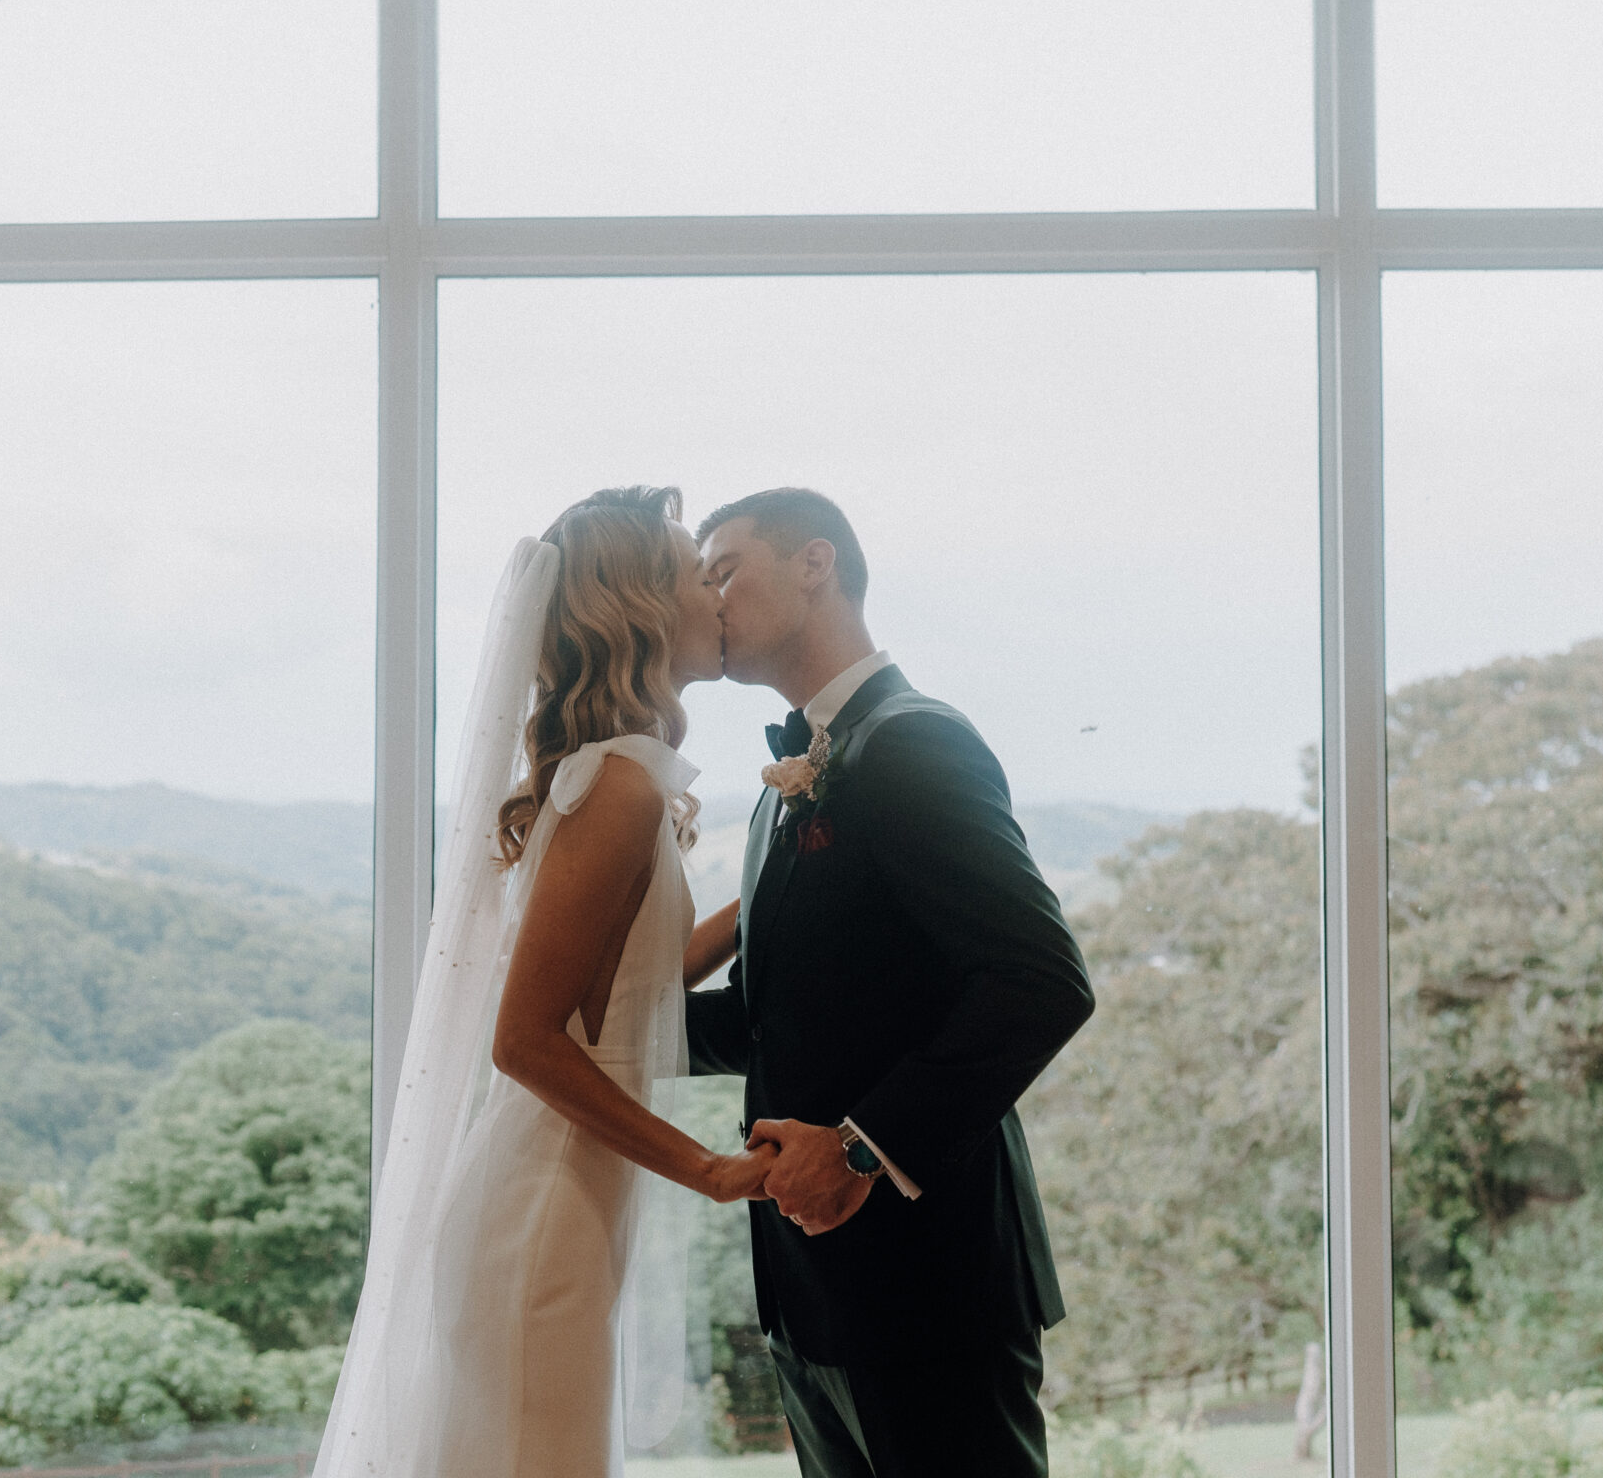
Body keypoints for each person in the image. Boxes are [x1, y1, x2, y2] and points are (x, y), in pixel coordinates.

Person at [315, 486, 776, 1478]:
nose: (718, 594)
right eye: (699, 575)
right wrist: (709, 1170)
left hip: (567, 1197)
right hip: (540, 1214)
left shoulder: (624, 778)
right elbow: (523, 1041)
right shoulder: (613, 784)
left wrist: (774, 892)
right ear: (645, 608)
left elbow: (636, 988)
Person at [685, 487, 1096, 1478]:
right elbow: (773, 1017)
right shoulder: (781, 787)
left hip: (931, 1290)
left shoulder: (912, 740)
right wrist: (593, 1030)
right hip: (813, 1298)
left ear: (815, 563)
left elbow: (1040, 981)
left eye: (724, 570)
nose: (707, 603)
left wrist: (862, 1150)